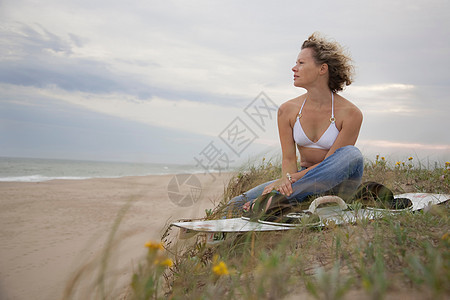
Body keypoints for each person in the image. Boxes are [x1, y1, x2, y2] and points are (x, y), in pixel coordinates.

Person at [229, 32, 364, 215]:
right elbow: (288, 159)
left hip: (336, 183)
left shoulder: (351, 114)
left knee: (352, 154)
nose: (294, 68)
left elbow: (330, 164)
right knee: (235, 204)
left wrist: (289, 180)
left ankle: (278, 200)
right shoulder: (288, 110)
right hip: (298, 183)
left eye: (301, 63)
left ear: (322, 69)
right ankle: (281, 200)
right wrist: (286, 180)